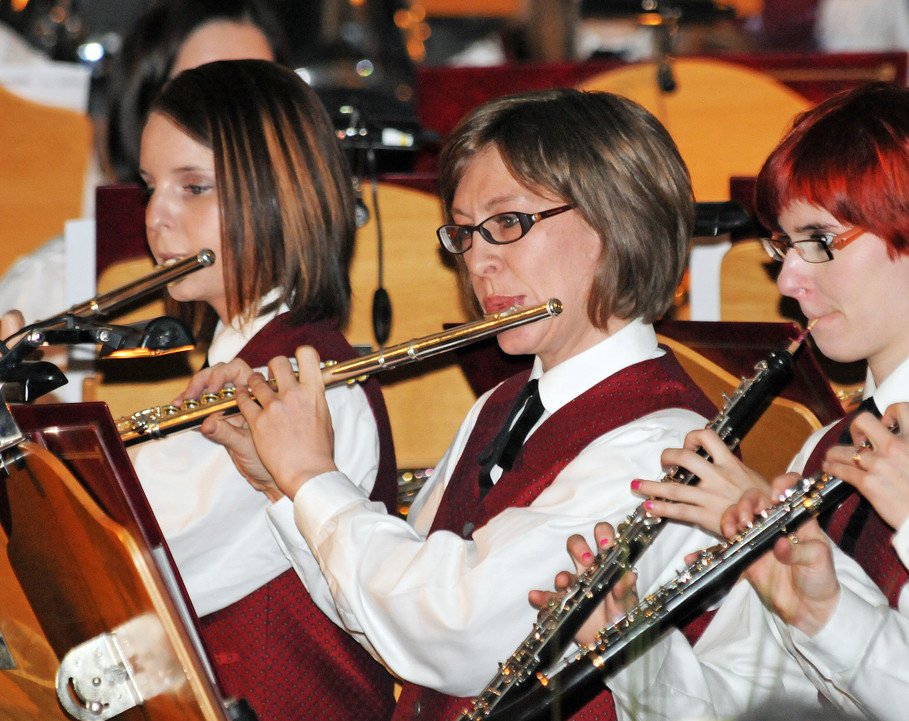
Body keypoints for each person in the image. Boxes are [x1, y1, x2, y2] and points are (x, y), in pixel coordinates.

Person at [178, 87, 720, 721]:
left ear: (618, 222)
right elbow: (389, 621)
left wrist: (311, 478)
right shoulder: (500, 403)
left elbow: (456, 632)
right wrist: (281, 486)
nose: (478, 260)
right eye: (464, 233)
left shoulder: (663, 447)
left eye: (508, 223)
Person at [554, 82, 909, 721]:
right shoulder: (820, 451)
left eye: (819, 241)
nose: (789, 279)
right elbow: (749, 699)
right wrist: (632, 653)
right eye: (783, 246)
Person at [132, 60, 399, 721]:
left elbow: (130, 550)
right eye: (150, 186)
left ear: (279, 198)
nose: (156, 217)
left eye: (193, 187)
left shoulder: (308, 389)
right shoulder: (234, 360)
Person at [0, 0, 285, 335]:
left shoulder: (316, 276)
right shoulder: (50, 283)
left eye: (255, 100)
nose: (233, 130)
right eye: (197, 98)